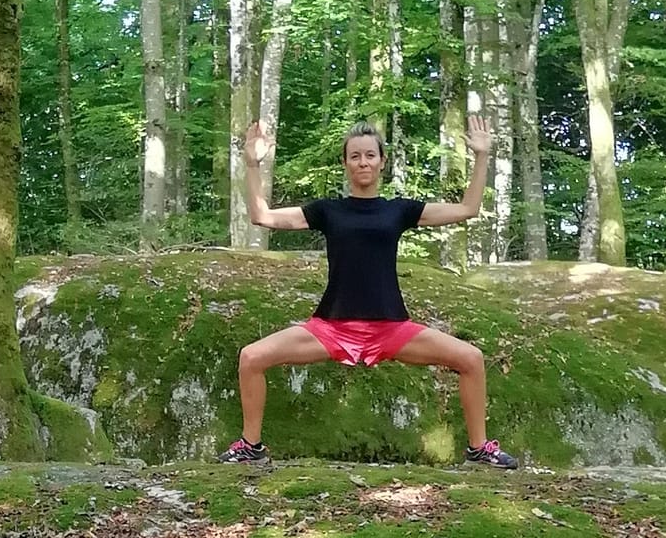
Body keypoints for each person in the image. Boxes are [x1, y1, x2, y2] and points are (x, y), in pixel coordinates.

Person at [222, 113, 519, 467]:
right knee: (252, 357)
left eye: (370, 155)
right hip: (331, 328)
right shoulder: (328, 210)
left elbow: (468, 209)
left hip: (391, 328)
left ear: (382, 162)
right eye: (355, 156)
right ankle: (250, 447)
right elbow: (262, 216)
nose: (363, 161)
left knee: (471, 359)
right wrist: (252, 165)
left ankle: (479, 449)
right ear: (346, 164)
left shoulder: (399, 210)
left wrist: (482, 156)